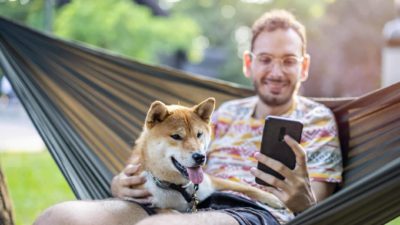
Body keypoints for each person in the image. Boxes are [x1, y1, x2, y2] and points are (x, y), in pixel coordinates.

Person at [34, 9, 342, 225]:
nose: (276, 72)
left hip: (252, 213)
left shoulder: (318, 120)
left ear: (304, 67)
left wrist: (304, 200)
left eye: (289, 61)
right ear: (249, 64)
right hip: (182, 201)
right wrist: (120, 184)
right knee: (58, 218)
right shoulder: (223, 115)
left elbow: (317, 204)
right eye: (265, 60)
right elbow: (166, 157)